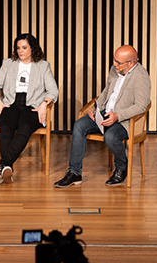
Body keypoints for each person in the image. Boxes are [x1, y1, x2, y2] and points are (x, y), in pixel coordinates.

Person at [54, 45, 151, 188]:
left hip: (124, 120)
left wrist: (118, 116)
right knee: (79, 125)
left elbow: (141, 106)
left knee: (110, 137)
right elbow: (106, 92)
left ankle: (122, 167)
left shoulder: (141, 76)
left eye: (118, 62)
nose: (114, 64)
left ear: (131, 63)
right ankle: (74, 172)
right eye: (114, 60)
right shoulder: (115, 70)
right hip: (105, 113)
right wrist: (95, 108)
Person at [0, 32, 58, 184]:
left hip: (33, 105)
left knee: (24, 128)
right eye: (18, 48)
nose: (20, 51)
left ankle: (3, 165)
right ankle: (6, 167)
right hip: (10, 102)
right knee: (6, 127)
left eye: (24, 47)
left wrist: (44, 104)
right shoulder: (8, 63)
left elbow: (53, 91)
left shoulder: (43, 66)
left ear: (32, 48)